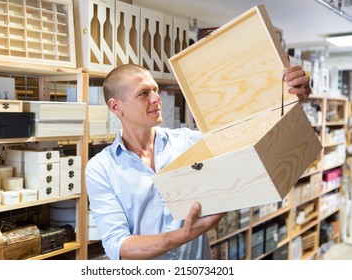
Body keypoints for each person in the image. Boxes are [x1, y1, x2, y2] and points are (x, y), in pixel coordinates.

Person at [85, 63, 311, 260]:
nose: (156, 98)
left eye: (155, 89)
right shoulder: (101, 168)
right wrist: (183, 236)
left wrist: (290, 98)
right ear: (116, 107)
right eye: (143, 93)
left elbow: (246, 132)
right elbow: (119, 246)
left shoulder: (187, 143)